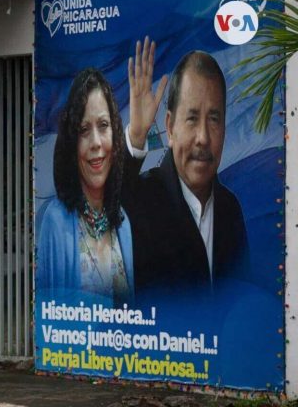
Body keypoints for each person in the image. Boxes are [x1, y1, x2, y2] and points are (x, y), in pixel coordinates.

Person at [122, 38, 249, 300]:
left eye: (214, 119)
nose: (203, 137)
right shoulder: (142, 199)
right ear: (169, 127)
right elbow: (100, 211)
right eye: (191, 118)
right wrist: (135, 137)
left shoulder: (230, 210)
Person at [37, 68, 135, 306]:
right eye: (83, 130)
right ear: (72, 142)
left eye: (103, 125)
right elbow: (51, 323)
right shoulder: (56, 221)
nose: (96, 143)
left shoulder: (122, 222)